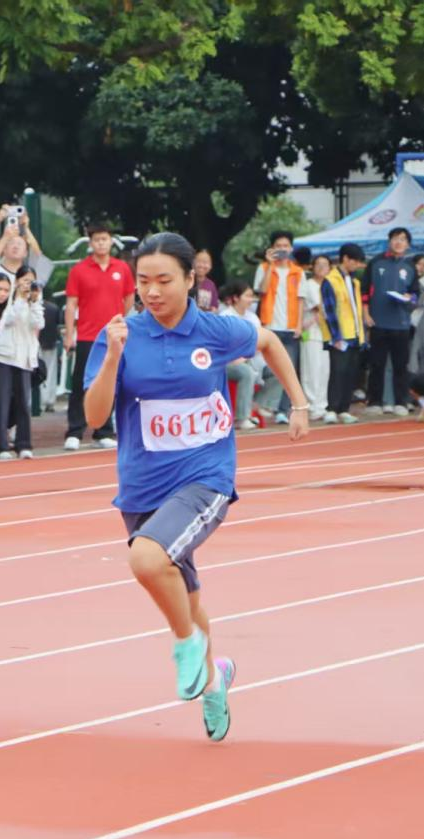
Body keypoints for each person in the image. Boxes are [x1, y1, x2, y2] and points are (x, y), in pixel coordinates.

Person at [83, 232, 309, 742]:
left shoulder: (214, 329)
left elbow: (270, 342)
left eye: (164, 280)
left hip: (205, 477)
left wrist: (298, 403)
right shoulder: (122, 335)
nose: (152, 291)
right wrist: (114, 357)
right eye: (143, 281)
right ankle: (213, 681)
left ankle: (186, 644)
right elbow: (95, 418)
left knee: (147, 559)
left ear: (191, 279)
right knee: (186, 593)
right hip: (143, 484)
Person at [64, 222, 134, 451]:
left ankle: (103, 431)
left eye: (105, 239)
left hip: (113, 335)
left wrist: (122, 321)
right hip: (87, 335)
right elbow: (71, 304)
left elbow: (129, 298)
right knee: (80, 383)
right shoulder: (79, 270)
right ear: (90, 243)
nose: (101, 243)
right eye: (97, 239)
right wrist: (69, 334)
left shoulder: (122, 268)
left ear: (111, 241)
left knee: (111, 381)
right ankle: (75, 431)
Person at [0, 265, 43, 459]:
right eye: (25, 280)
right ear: (17, 280)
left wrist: (34, 302)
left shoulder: (34, 298)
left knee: (24, 402)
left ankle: (24, 443)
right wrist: (19, 297)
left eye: (31, 280)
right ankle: (0, 446)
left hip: (24, 356)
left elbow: (38, 324)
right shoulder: (8, 297)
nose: (28, 284)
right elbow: (7, 320)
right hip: (3, 354)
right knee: (1, 402)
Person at [363, 227, 418, 415]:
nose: (398, 242)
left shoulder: (410, 266)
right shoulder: (376, 262)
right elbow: (364, 291)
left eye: (402, 239)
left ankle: (400, 401)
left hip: (401, 323)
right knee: (376, 364)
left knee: (400, 365)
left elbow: (415, 293)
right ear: (389, 241)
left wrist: (409, 298)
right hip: (378, 322)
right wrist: (366, 314)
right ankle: (375, 402)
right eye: (395, 238)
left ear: (407, 245)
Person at [253, 231, 306, 423]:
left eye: (285, 246)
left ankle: (283, 410)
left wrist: (299, 325)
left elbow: (301, 300)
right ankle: (264, 405)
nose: (282, 249)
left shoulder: (298, 271)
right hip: (270, 326)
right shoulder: (264, 267)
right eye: (278, 246)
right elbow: (262, 290)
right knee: (269, 370)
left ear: (291, 248)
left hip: (290, 327)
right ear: (272, 248)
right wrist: (270, 265)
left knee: (289, 370)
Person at [318, 243, 367, 424]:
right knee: (337, 372)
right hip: (339, 336)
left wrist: (361, 335)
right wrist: (336, 336)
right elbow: (329, 310)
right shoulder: (330, 280)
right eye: (355, 261)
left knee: (350, 373)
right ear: (345, 259)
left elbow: (356, 309)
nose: (357, 265)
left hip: (355, 334)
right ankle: (331, 408)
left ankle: (344, 409)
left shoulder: (354, 282)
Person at [218, 281, 265, 430]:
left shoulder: (253, 317)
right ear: (236, 298)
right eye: (248, 296)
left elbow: (259, 342)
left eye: (252, 296)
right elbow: (223, 346)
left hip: (249, 358)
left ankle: (261, 406)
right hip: (226, 362)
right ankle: (242, 417)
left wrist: (245, 357)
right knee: (246, 372)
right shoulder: (225, 316)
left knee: (276, 370)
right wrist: (239, 358)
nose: (251, 300)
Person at [299, 254, 330, 422]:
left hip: (326, 334)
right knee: (311, 371)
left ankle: (321, 406)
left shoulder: (329, 285)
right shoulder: (309, 285)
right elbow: (320, 308)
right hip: (310, 332)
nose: (322, 267)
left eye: (325, 264)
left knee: (324, 371)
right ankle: (311, 407)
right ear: (312, 267)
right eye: (318, 264)